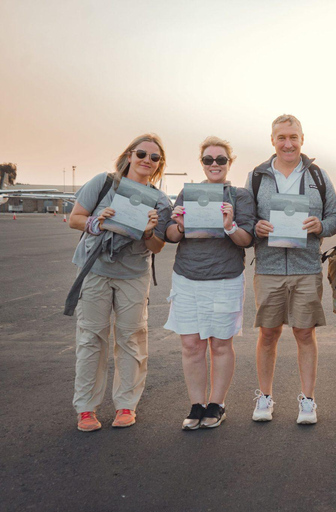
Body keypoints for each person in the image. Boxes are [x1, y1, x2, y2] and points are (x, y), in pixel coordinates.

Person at [68, 133, 172, 432]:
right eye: (142, 154)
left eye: (154, 158)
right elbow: (75, 218)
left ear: (159, 164)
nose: (147, 161)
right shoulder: (104, 183)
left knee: (131, 339)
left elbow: (158, 247)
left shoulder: (159, 200)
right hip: (95, 270)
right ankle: (86, 409)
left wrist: (151, 231)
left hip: (133, 274)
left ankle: (126, 404)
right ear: (129, 155)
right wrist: (97, 220)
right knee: (91, 338)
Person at [247, 115, 336, 425]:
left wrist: (321, 226)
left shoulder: (318, 175)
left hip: (306, 267)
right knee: (268, 334)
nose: (288, 143)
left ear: (302, 139)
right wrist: (256, 227)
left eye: (293, 137)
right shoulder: (258, 176)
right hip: (269, 267)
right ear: (272, 139)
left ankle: (308, 401)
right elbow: (245, 221)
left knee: (304, 332)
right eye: (281, 137)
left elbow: (335, 217)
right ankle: (264, 397)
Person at [164, 136, 255, 430]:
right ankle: (196, 404)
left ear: (230, 162)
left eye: (221, 159)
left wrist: (230, 226)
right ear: (201, 163)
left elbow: (248, 240)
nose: (214, 165)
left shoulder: (240, 196)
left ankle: (217, 403)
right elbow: (172, 235)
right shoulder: (186, 193)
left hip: (225, 276)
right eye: (208, 160)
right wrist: (177, 223)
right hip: (187, 275)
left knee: (220, 344)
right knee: (191, 344)